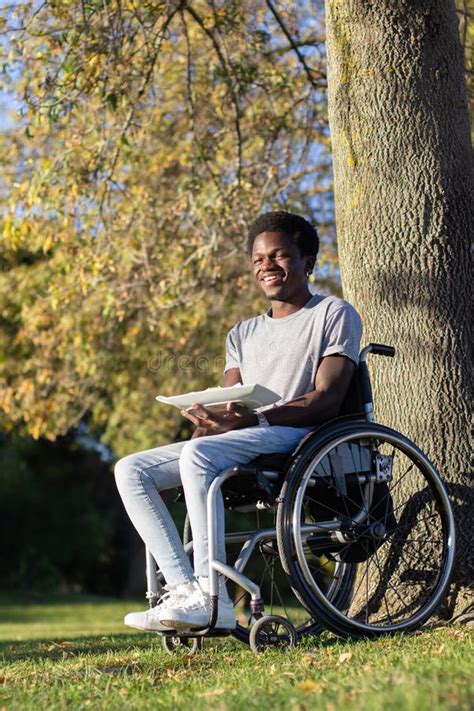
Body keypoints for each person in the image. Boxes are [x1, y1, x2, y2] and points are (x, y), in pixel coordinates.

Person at [114, 211, 362, 631]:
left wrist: (255, 419)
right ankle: (188, 591)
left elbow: (327, 398)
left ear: (308, 261)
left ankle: (214, 601)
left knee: (197, 457)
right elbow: (232, 404)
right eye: (258, 260)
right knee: (131, 469)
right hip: (247, 437)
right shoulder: (241, 334)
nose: (267, 266)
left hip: (302, 437)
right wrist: (208, 420)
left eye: (279, 255)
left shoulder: (333, 314)